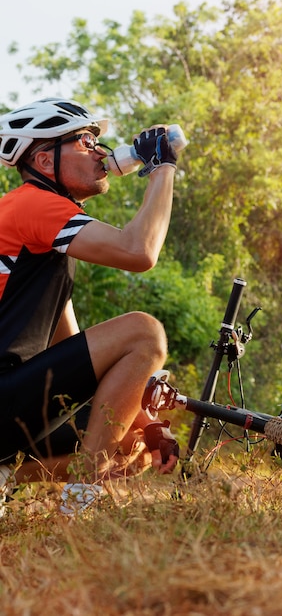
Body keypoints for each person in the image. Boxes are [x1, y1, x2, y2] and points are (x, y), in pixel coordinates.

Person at [0, 97, 180, 515]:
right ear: (45, 161)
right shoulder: (32, 203)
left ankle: (5, 472)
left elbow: (77, 352)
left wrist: (148, 423)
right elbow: (140, 252)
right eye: (85, 140)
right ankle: (78, 507)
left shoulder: (43, 248)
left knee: (128, 441)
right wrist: (162, 168)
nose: (101, 150)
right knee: (144, 333)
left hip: (9, 404)